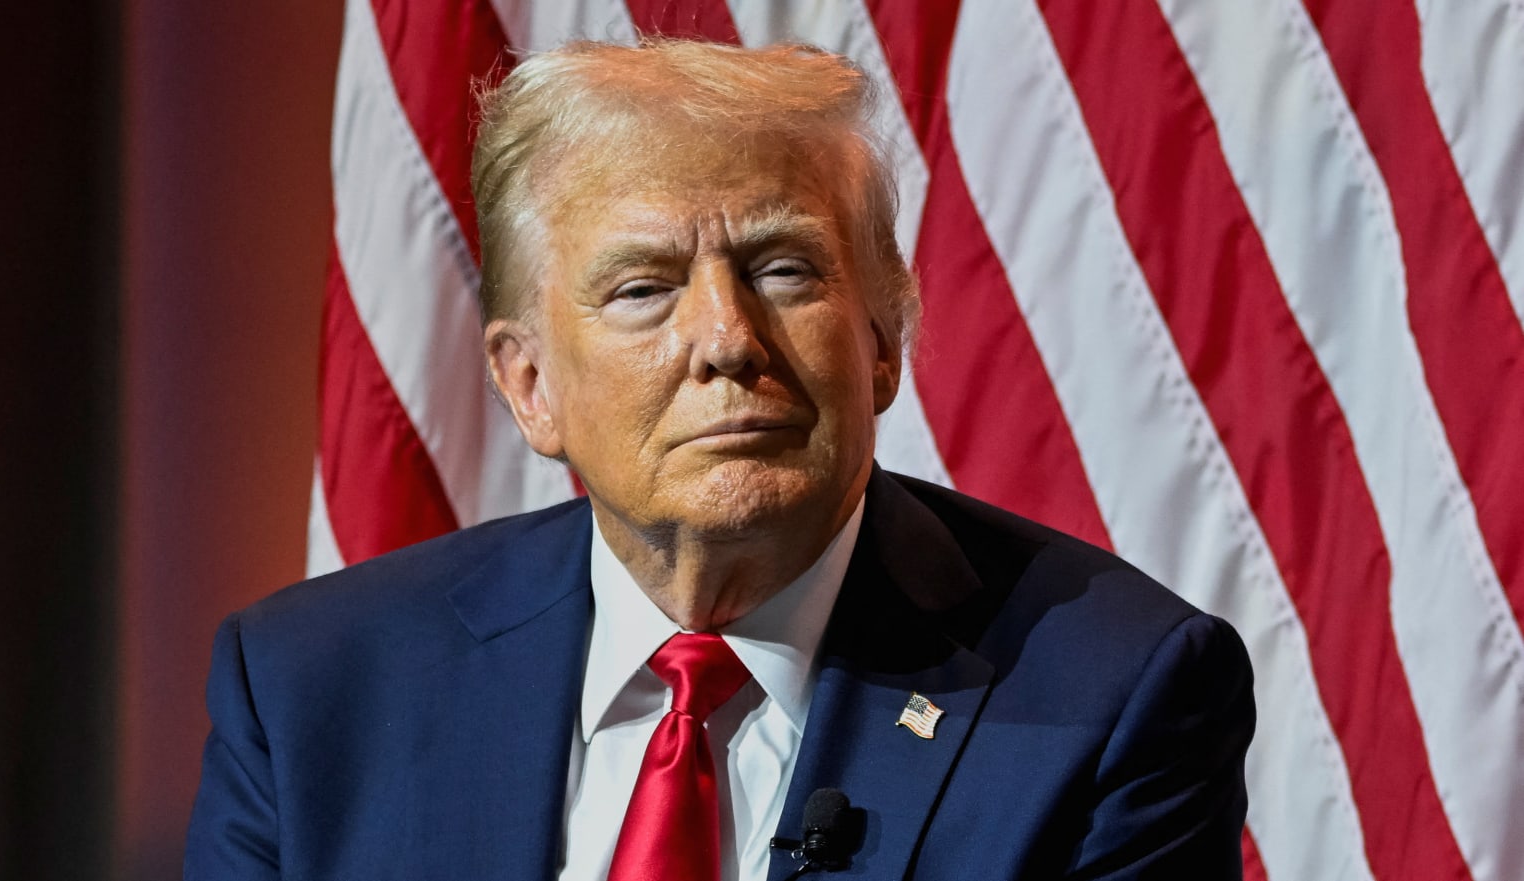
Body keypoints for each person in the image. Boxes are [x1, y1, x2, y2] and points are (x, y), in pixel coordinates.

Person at [185, 39, 1254, 881]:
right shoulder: (313, 689)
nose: (727, 340)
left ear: (882, 343)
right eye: (644, 287)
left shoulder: (1116, 691)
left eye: (783, 268)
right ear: (529, 385)